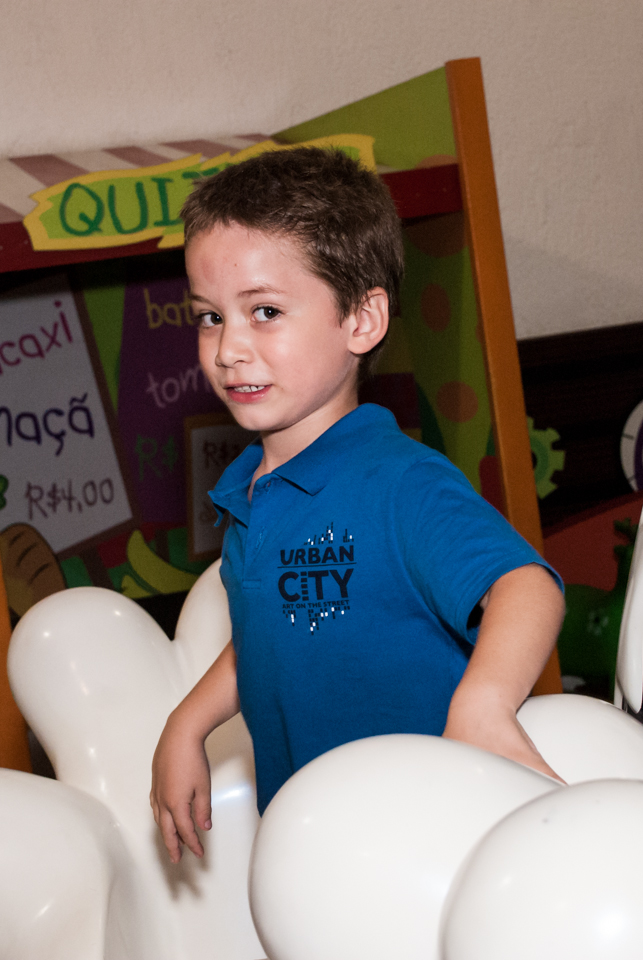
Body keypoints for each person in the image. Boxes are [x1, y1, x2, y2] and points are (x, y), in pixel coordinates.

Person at [151, 147, 565, 863]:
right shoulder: (250, 491)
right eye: (211, 317)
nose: (228, 349)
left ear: (362, 319)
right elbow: (269, 627)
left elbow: (525, 586)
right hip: (310, 845)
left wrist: (483, 703)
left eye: (266, 312)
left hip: (425, 841)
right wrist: (186, 724)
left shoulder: (398, 482)